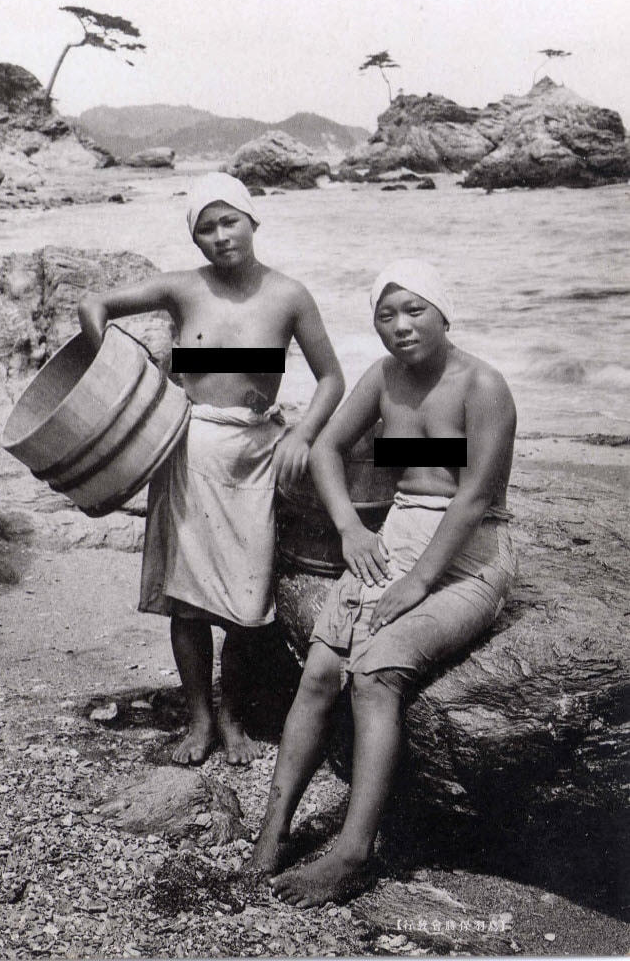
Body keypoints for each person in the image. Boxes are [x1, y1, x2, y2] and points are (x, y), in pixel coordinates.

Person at [251, 258, 517, 905]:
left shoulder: (482, 385)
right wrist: (350, 528)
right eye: (385, 314)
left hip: (467, 555)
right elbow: (324, 448)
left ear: (444, 312)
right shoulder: (383, 377)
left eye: (414, 310)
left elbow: (474, 496)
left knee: (374, 674)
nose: (400, 326)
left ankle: (352, 852)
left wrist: (418, 583)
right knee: (320, 671)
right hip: (394, 538)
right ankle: (273, 828)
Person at [78, 172, 344, 766]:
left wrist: (303, 434)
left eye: (230, 221)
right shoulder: (183, 288)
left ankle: (232, 714)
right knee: (187, 600)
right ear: (194, 238)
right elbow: (93, 305)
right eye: (206, 228)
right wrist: (113, 375)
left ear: (253, 221)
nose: (221, 236)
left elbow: (332, 378)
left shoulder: (289, 295)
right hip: (189, 450)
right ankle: (200, 718)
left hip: (256, 455)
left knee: (248, 605)